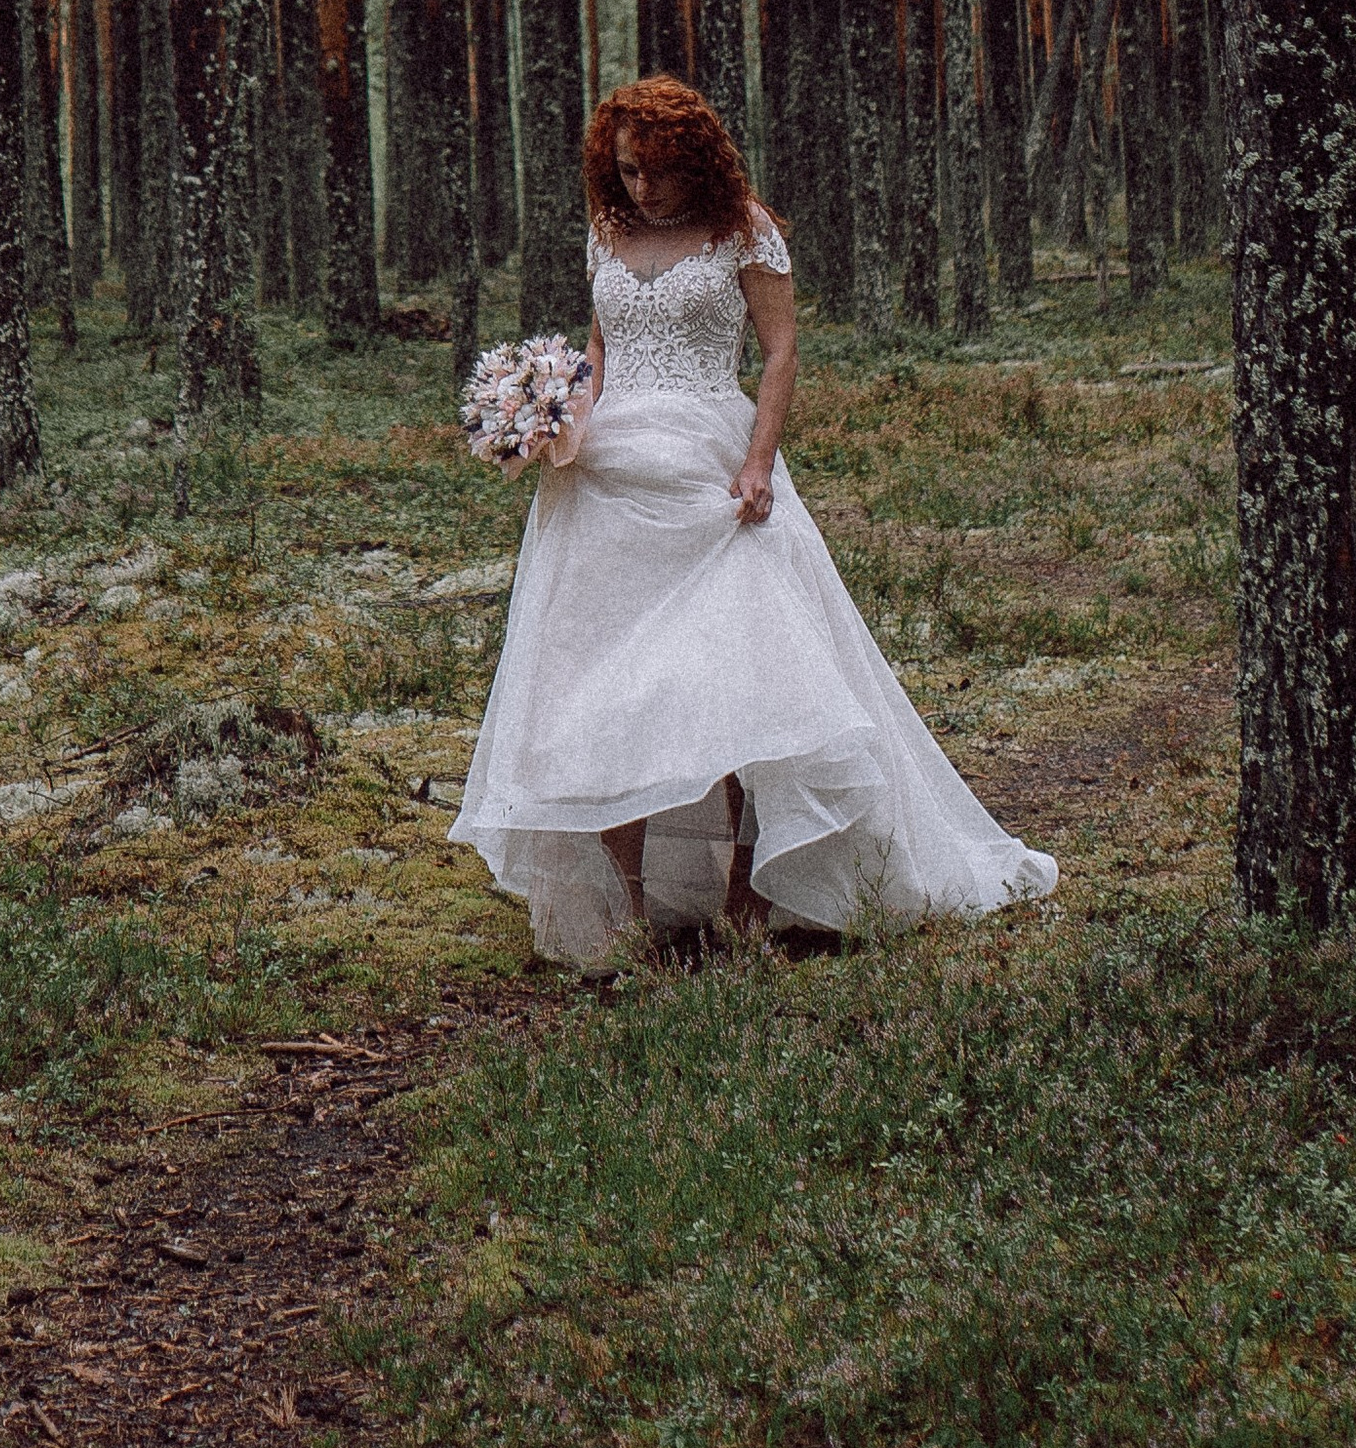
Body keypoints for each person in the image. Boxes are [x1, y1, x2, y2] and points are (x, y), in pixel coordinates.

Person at [451, 73, 1059, 965]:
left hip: (711, 472)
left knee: (734, 687)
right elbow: (601, 348)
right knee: (604, 695)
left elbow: (779, 352)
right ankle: (625, 908)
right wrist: (550, 419)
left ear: (695, 161)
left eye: (657, 170)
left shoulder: (748, 233)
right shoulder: (605, 232)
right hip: (606, 482)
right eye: (625, 170)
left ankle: (746, 897)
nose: (641, 189)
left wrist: (757, 463)